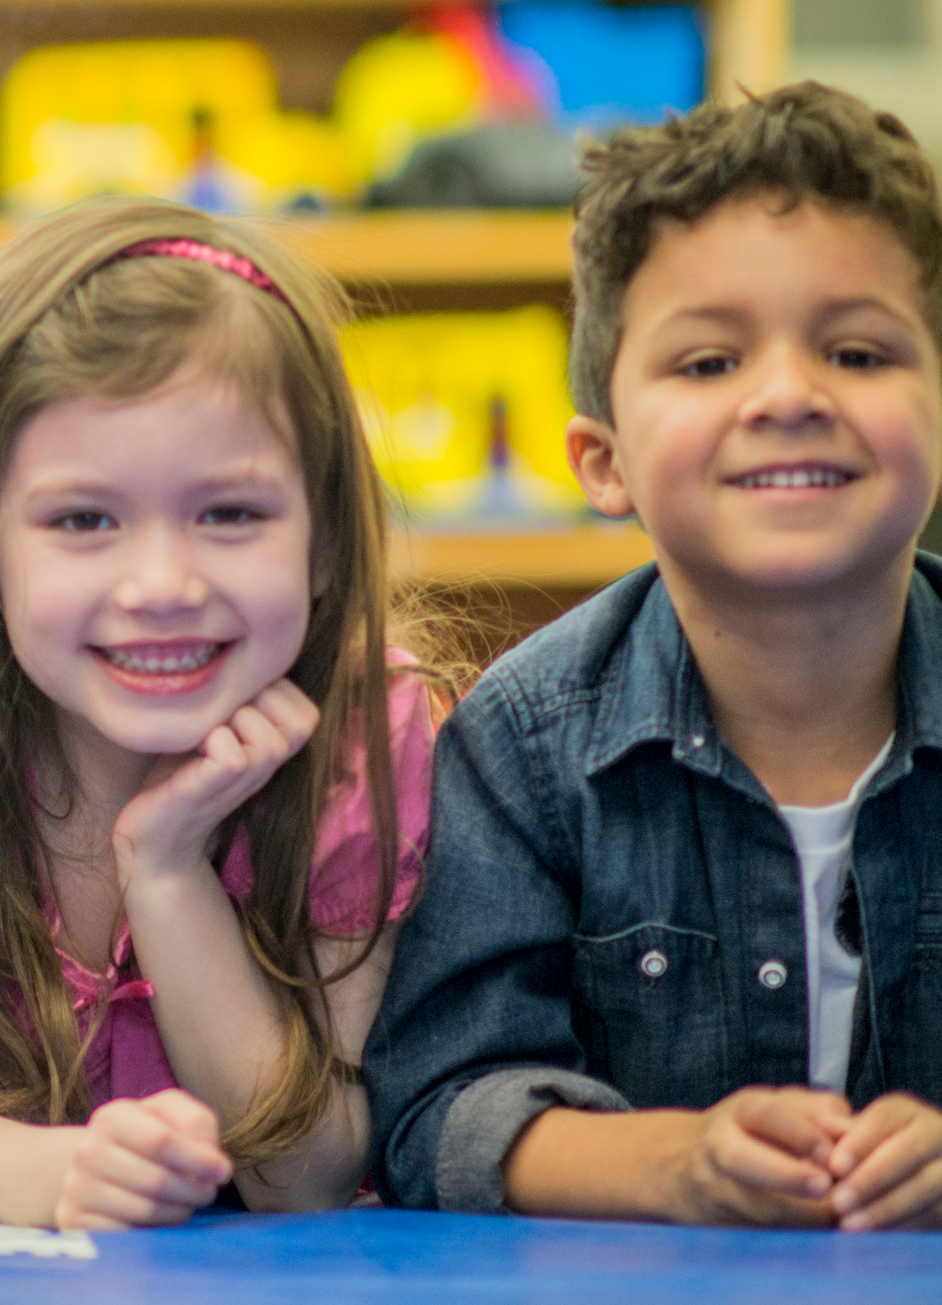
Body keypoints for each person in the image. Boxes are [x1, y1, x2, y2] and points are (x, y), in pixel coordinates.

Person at [0, 197, 434, 1230]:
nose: (161, 583)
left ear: (319, 542)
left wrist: (165, 870)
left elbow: (299, 1177)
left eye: (229, 514)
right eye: (83, 520)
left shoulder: (363, 735)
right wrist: (66, 1180)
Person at [369, 82, 942, 1231]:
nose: (786, 395)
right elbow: (437, 1110)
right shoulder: (519, 749)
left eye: (856, 350)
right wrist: (672, 1166)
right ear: (602, 462)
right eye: (706, 364)